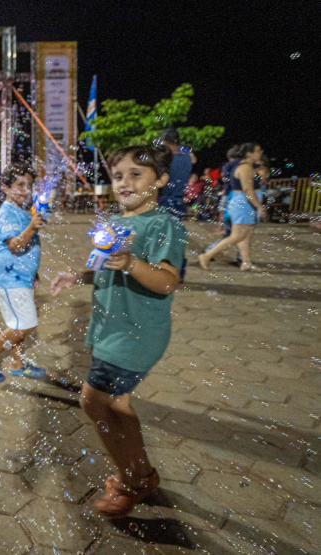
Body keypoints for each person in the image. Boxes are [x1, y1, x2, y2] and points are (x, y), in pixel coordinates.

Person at [50, 144, 187, 516]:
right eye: (117, 175)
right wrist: (79, 275)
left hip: (133, 335)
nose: (124, 182)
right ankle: (140, 473)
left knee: (93, 402)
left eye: (135, 174)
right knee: (118, 405)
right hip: (110, 330)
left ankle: (134, 480)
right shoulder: (117, 221)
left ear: (160, 180)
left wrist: (130, 263)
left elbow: (168, 281)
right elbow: (106, 266)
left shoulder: (164, 224)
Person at [0, 168, 46, 382]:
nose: (27, 190)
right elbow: (15, 246)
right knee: (26, 324)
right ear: (5, 188)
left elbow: (26, 249)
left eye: (29, 185)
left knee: (17, 324)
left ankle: (17, 363)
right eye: (20, 185)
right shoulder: (7, 213)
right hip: (10, 280)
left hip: (19, 278)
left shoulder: (19, 212)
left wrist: (34, 272)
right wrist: (32, 227)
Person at [198, 143, 265, 271]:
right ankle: (207, 256)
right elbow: (247, 190)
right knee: (237, 235)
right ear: (248, 153)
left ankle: (246, 262)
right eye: (257, 151)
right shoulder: (245, 168)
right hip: (243, 204)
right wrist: (259, 207)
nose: (260, 153)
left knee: (247, 234)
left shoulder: (248, 167)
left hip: (244, 204)